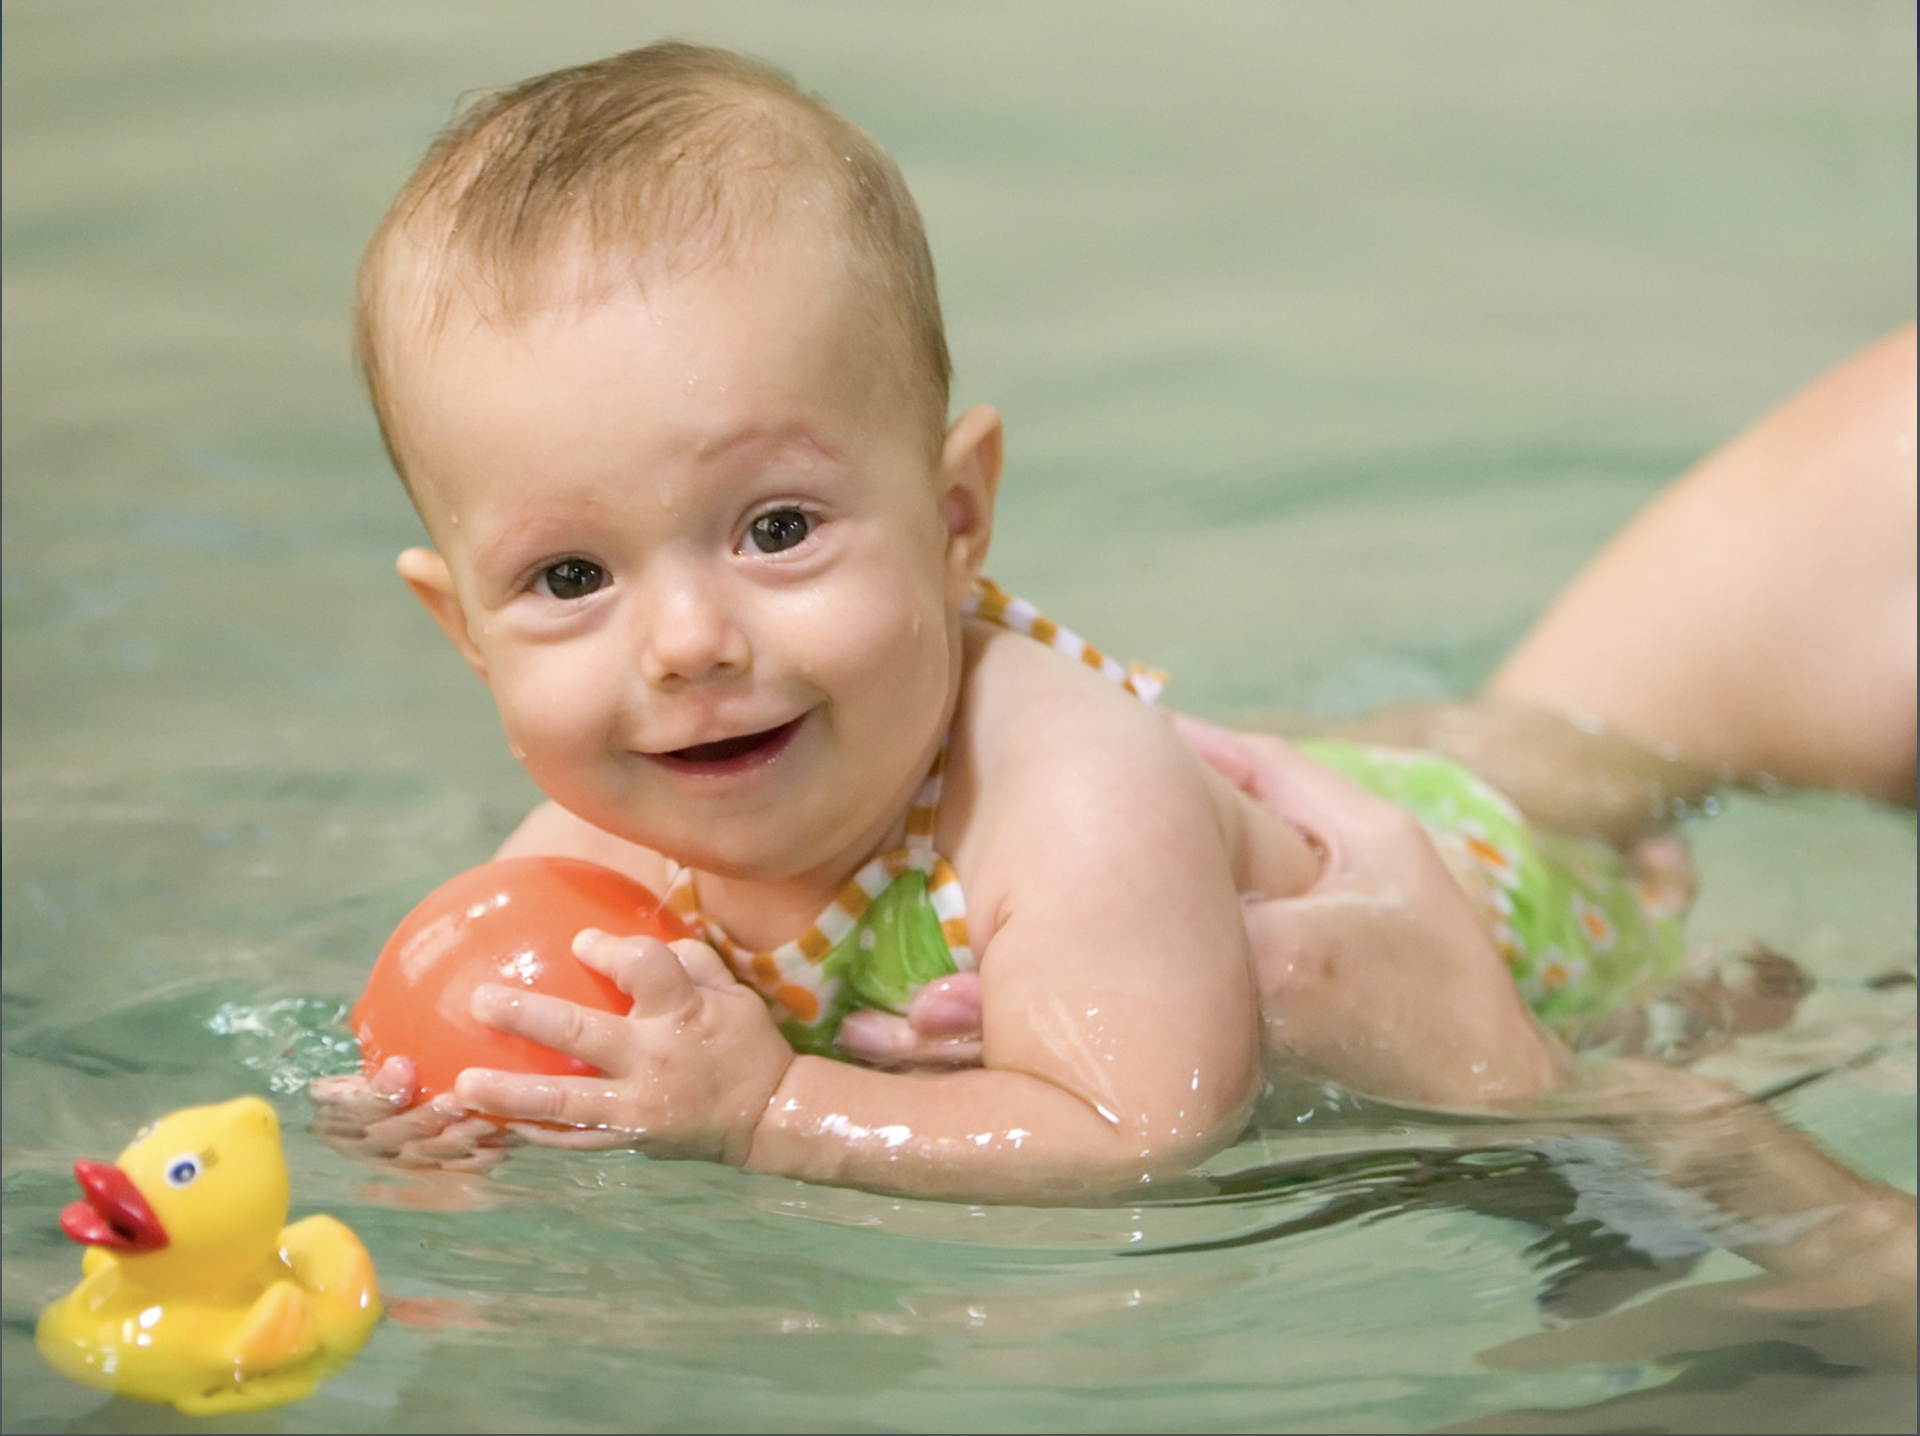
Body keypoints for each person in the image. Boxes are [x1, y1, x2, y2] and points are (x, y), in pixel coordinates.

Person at [318, 41, 1698, 1198]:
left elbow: (1142, 1133)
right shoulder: (589, 843)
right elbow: (520, 1069)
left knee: (1613, 825)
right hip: (1196, 839)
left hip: (1479, 914)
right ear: (467, 633)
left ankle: (1568, 778)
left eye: (778, 528)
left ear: (956, 521)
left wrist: (774, 1113)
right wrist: (455, 1120)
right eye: (570, 579)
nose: (685, 643)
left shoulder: (1068, 794)